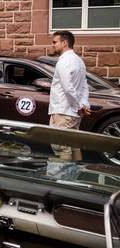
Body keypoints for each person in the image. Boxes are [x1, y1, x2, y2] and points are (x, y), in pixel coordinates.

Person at [49, 30, 90, 160]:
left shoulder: (64, 62)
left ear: (65, 43)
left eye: (55, 42)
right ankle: (77, 177)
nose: (53, 45)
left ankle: (62, 179)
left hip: (63, 111)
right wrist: (83, 104)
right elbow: (84, 86)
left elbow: (68, 88)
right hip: (74, 113)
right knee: (74, 145)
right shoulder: (79, 61)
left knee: (61, 147)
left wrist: (78, 106)